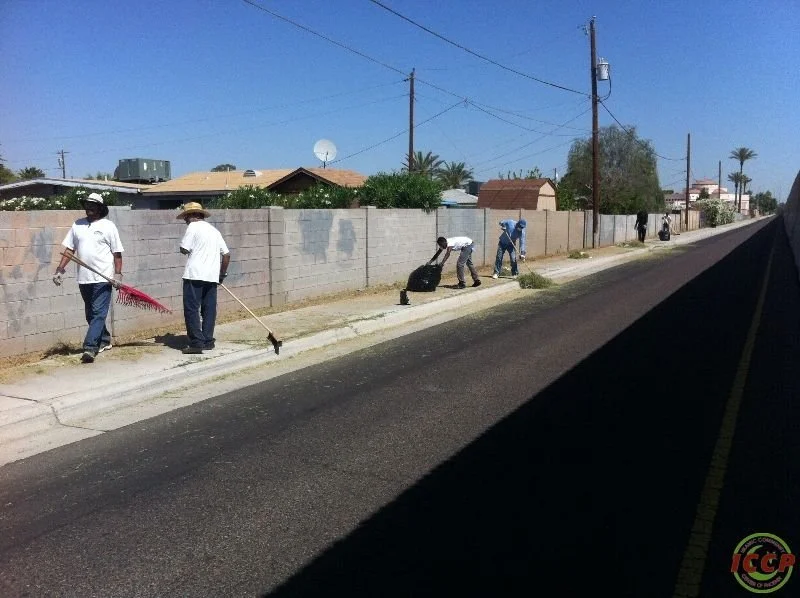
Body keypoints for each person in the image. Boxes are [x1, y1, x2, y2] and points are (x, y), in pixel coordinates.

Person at [52, 192, 124, 363]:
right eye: (87, 205)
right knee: (91, 314)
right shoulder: (77, 225)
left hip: (103, 278)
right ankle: (104, 340)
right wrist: (60, 269)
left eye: (93, 205)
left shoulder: (109, 226)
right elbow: (69, 250)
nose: (89, 208)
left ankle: (90, 348)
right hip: (84, 278)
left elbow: (117, 253)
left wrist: (118, 274)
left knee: (99, 313)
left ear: (100, 208)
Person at [177, 202, 230, 354]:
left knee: (191, 309)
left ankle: (196, 343)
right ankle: (208, 340)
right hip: (212, 277)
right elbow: (226, 255)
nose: (185, 221)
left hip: (194, 275)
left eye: (186, 217)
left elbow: (184, 249)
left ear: (191, 216)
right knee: (209, 310)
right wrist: (222, 275)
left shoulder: (192, 227)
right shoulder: (215, 231)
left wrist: (184, 247)